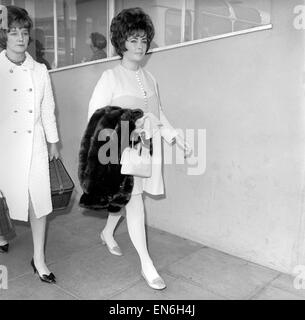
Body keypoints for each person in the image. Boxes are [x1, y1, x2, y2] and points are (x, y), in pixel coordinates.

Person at [88, 7, 191, 290]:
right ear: (121, 42)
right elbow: (94, 116)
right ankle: (147, 264)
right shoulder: (110, 77)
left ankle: (108, 232)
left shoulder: (150, 79)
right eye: (133, 39)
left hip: (145, 151)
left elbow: (159, 115)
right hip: (117, 150)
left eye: (144, 40)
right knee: (134, 202)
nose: (140, 46)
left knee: (125, 197)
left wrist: (174, 136)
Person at [0, 5, 59, 284]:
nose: (20, 38)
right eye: (13, 33)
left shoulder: (39, 70)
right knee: (3, 200)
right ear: (4, 36)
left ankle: (39, 258)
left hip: (34, 144)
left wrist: (53, 141)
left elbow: (47, 107)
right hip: (4, 146)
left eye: (24, 32)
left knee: (39, 202)